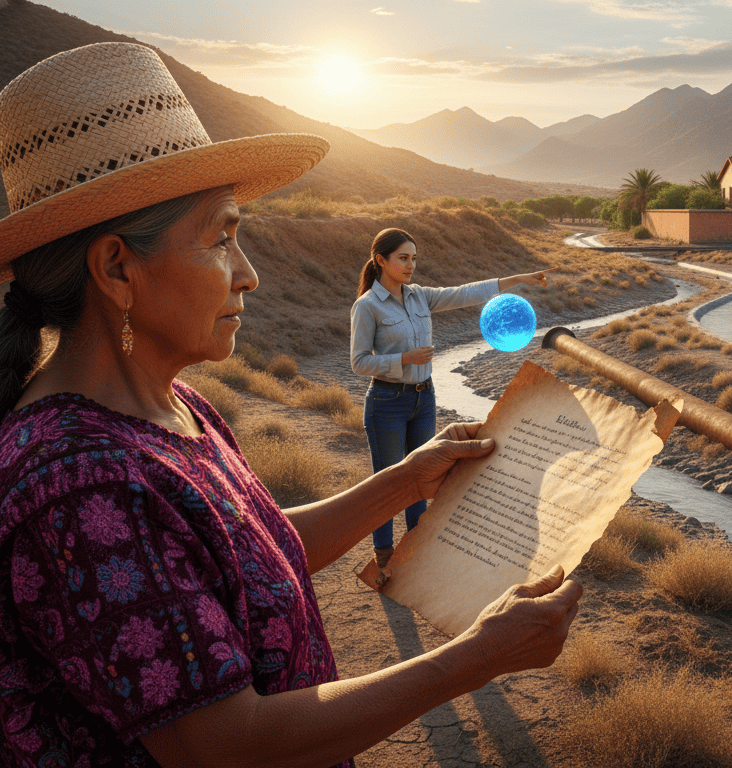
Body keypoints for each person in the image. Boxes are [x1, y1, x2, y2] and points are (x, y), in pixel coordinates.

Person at [0, 42, 580, 767]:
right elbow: (228, 745)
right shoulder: (81, 483)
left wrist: (408, 478)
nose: (249, 277)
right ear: (117, 267)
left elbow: (256, 553)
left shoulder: (176, 410)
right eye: (224, 238)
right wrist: (473, 658)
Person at [351, 228, 554, 581]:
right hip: (387, 402)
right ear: (381, 260)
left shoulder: (420, 297)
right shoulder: (367, 306)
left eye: (414, 257)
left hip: (424, 399)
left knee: (422, 476)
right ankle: (384, 559)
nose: (410, 264)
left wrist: (519, 280)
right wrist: (404, 358)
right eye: (403, 257)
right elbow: (357, 362)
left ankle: (416, 552)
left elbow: (466, 293)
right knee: (386, 483)